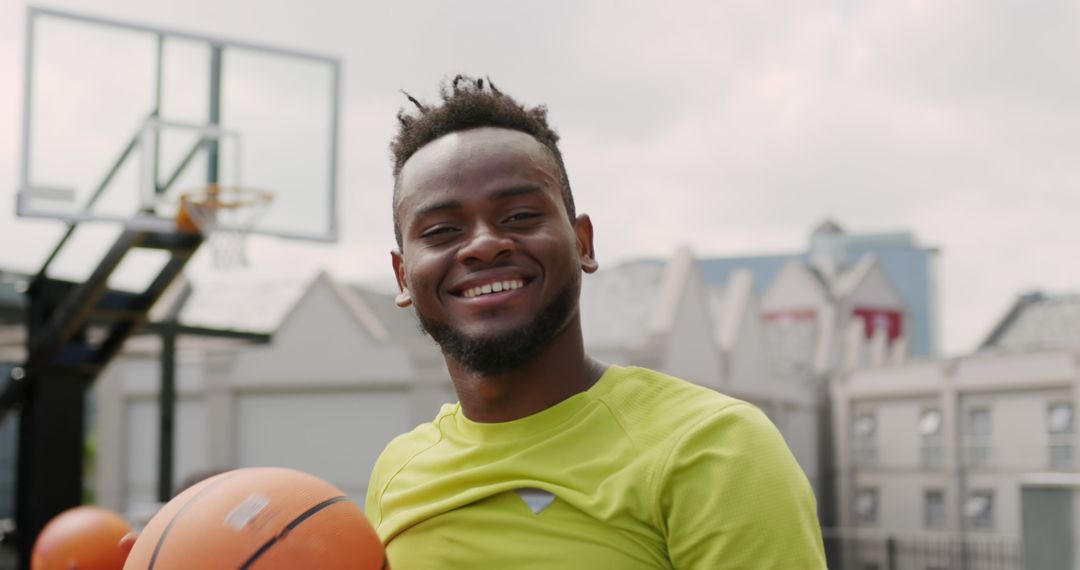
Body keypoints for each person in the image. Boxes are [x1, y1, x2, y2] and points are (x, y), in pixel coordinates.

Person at [365, 75, 826, 569]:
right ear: (403, 276)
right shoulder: (398, 473)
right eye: (441, 231)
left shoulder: (713, 447)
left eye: (519, 216)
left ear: (583, 242)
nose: (483, 244)